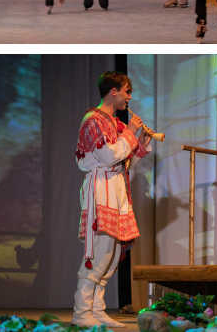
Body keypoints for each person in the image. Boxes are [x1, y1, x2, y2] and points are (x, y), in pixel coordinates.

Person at [72, 71, 152, 328]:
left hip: (116, 187)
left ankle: (97, 311)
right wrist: (129, 131)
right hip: (101, 187)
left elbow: (123, 163)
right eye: (127, 91)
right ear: (113, 91)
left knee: (112, 253)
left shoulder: (114, 124)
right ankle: (81, 313)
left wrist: (139, 142)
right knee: (100, 253)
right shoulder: (93, 120)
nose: (130, 97)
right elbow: (108, 157)